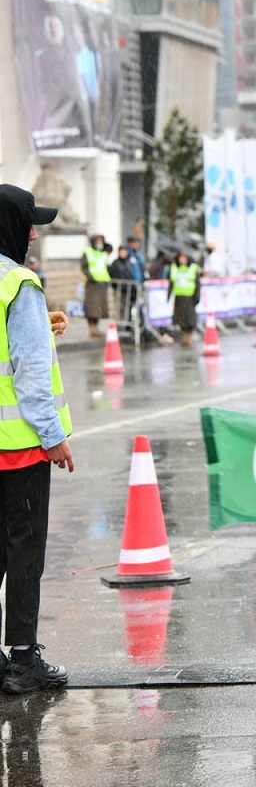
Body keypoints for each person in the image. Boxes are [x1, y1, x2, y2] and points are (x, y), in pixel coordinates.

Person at [0, 184, 74, 695]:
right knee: (24, 554)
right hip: (19, 448)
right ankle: (24, 661)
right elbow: (28, 373)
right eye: (29, 224)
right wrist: (53, 436)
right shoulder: (19, 284)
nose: (33, 234)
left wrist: (38, 327)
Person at [167, 250, 200, 348]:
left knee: (189, 320)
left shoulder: (193, 268)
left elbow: (197, 284)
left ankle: (188, 337)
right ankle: (184, 338)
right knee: (180, 319)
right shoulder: (174, 268)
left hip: (189, 298)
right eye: (180, 257)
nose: (182, 260)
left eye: (184, 257)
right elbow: (171, 282)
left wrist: (197, 297)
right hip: (179, 297)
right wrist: (168, 295)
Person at [80, 232, 109, 338]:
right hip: (92, 284)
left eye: (101, 242)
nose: (100, 244)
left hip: (102, 283)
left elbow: (110, 248)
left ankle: (96, 328)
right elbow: (84, 267)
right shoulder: (87, 252)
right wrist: (91, 277)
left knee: (99, 308)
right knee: (92, 307)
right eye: (98, 241)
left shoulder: (102, 253)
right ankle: (92, 329)